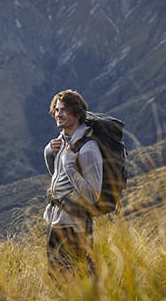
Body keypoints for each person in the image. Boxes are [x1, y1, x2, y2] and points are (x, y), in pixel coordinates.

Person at [43, 89, 103, 277]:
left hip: (75, 225)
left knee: (77, 280)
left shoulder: (87, 149)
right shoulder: (62, 143)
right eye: (57, 110)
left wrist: (70, 166)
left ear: (76, 114)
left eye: (63, 110)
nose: (57, 114)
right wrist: (48, 153)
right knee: (56, 278)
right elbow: (57, 178)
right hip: (56, 221)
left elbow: (93, 195)